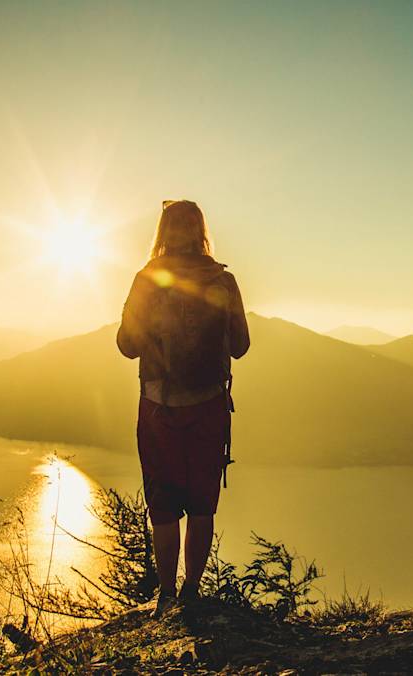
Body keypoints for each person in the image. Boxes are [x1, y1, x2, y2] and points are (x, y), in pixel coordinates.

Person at [116, 199, 250, 613]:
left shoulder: (146, 279)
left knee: (164, 504)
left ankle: (166, 595)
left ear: (162, 232)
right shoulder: (222, 281)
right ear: (201, 231)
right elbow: (242, 346)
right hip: (209, 405)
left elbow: (126, 346)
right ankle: (192, 592)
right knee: (202, 502)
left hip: (157, 405)